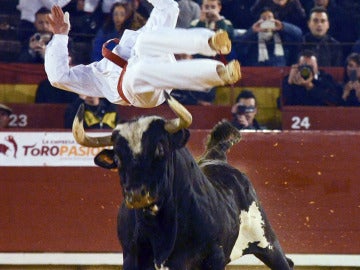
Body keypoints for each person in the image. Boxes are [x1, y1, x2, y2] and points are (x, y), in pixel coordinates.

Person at [44, 1, 241, 108]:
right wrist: (60, 37)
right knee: (140, 64)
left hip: (157, 72)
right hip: (133, 90)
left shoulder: (141, 37)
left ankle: (211, 45)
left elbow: (168, 7)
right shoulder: (95, 74)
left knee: (148, 39)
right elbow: (58, 77)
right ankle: (214, 70)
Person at [236, 7, 302, 66]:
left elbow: (298, 34)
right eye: (264, 18)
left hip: (280, 74)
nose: (267, 20)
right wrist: (252, 30)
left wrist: (283, 26)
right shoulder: (253, 37)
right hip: (257, 75)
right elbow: (239, 47)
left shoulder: (282, 36)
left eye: (270, 17)